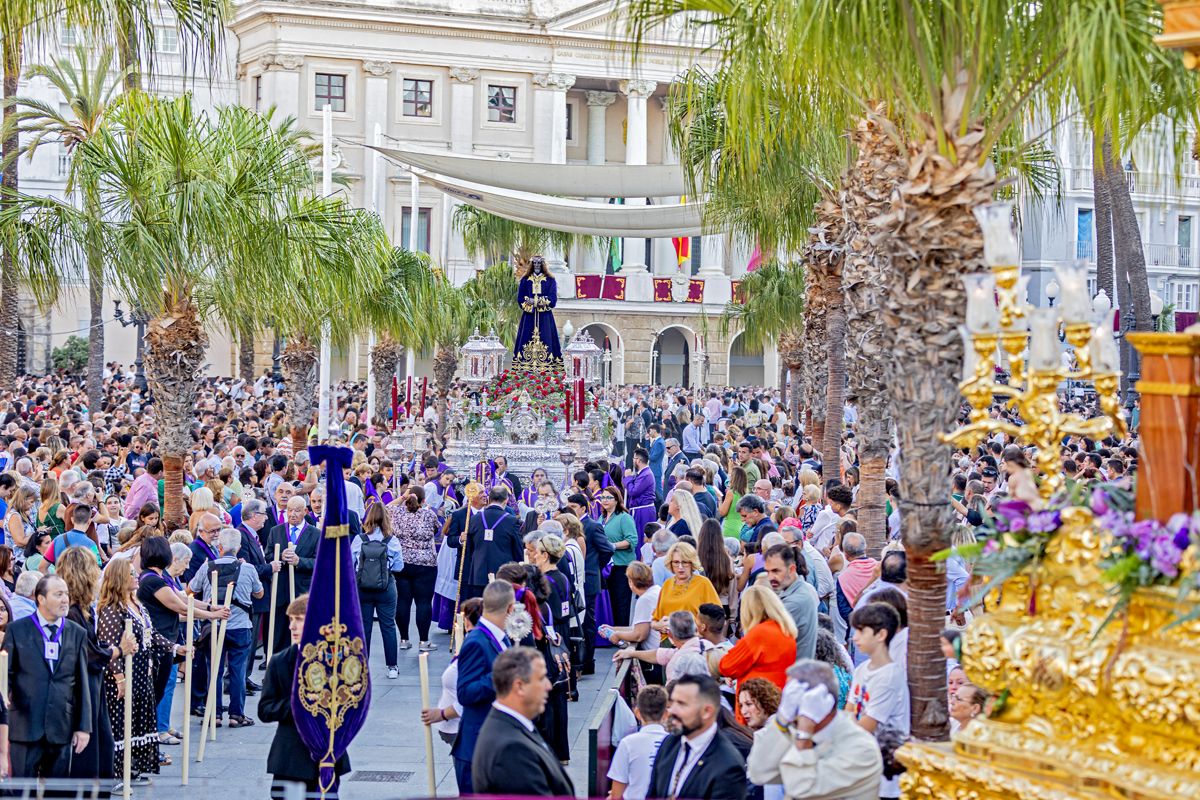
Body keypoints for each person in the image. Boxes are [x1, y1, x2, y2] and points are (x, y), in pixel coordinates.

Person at [746, 660, 882, 800]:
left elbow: (802, 789)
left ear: (821, 701)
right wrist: (782, 718)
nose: (791, 703)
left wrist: (804, 732)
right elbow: (758, 773)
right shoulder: (793, 732)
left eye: (795, 696)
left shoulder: (863, 749)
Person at [97, 559, 182, 782]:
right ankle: (116, 772)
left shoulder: (137, 605)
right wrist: (119, 678)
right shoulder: (111, 610)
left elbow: (150, 635)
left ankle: (133, 767)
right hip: (125, 672)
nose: (136, 576)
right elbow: (107, 644)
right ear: (119, 579)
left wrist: (175, 647)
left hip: (143, 671)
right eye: (131, 573)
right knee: (121, 722)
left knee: (138, 720)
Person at [137, 535, 227, 745]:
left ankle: (162, 725)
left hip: (168, 637)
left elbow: (184, 599)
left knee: (167, 683)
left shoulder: (160, 578)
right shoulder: (151, 580)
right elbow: (180, 607)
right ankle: (157, 729)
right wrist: (211, 615)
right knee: (160, 686)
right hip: (160, 641)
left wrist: (210, 607)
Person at [260, 594, 351, 800]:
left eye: (299, 620)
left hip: (327, 757)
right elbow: (265, 709)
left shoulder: (336, 662)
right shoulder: (280, 661)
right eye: (290, 619)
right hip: (290, 759)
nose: (292, 626)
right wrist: (298, 704)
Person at [2, 575, 93, 781]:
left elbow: (81, 683)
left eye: (66, 594)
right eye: (58, 594)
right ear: (41, 599)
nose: (65, 600)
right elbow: (5, 674)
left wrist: (83, 727)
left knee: (57, 791)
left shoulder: (76, 633)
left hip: (61, 725)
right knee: (21, 790)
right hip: (25, 725)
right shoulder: (17, 630)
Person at [470, 646, 574, 796]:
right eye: (541, 678)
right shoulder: (511, 750)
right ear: (519, 686)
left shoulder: (516, 724)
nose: (549, 685)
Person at [188, 528, 265, 728]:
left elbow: (191, 589)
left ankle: (214, 713)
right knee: (237, 671)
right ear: (238, 548)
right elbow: (259, 593)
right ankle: (236, 714)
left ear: (219, 547)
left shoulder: (207, 567)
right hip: (240, 626)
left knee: (213, 669)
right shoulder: (247, 569)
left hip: (213, 625)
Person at [451, 579, 516, 794]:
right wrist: (500, 675)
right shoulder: (476, 642)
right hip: (476, 751)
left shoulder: (502, 639)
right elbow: (465, 692)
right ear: (510, 608)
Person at [647, 674, 747, 800]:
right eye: (672, 703)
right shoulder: (670, 743)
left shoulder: (728, 764)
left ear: (707, 712)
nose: (672, 710)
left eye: (682, 704)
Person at [847, 603, 909, 799]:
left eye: (861, 631)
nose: (855, 637)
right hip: (862, 766)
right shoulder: (861, 669)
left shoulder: (890, 676)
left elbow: (868, 724)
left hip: (884, 776)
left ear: (881, 635)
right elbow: (849, 709)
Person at [715, 586, 798, 724]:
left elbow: (726, 665)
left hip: (755, 706)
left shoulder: (759, 634)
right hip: (778, 702)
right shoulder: (786, 631)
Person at [351, 502, 404, 677]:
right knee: (388, 626)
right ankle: (392, 667)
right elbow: (398, 567)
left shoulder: (360, 539)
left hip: (363, 588)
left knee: (364, 627)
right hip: (386, 587)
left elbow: (351, 564)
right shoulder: (392, 540)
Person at [564, 492, 614, 675]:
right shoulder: (569, 525)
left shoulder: (592, 526)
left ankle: (587, 662)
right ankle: (579, 660)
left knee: (588, 622)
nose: (571, 510)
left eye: (574, 507)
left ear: (583, 508)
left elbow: (607, 549)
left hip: (589, 578)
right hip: (576, 580)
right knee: (577, 622)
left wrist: (594, 566)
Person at [263, 496, 320, 654]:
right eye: (289, 510)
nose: (292, 514)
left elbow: (319, 562)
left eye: (297, 510)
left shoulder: (315, 534)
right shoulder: (276, 531)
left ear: (305, 511)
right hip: (280, 591)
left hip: (302, 591)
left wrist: (299, 561)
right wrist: (280, 556)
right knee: (278, 635)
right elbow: (267, 556)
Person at [422, 597, 483, 745]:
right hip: (456, 728)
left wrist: (441, 714)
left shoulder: (476, 646)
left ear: (467, 621)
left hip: (462, 728)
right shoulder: (474, 643)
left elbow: (469, 697)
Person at [389, 485, 440, 652]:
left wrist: (402, 498)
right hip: (425, 563)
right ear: (423, 500)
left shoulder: (397, 513)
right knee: (423, 602)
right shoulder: (428, 514)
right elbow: (436, 530)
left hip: (402, 562)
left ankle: (404, 639)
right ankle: (424, 641)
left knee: (403, 600)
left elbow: (387, 507)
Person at [607, 685, 670, 800]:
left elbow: (616, 794)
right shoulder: (676, 744)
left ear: (637, 713)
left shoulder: (628, 743)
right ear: (666, 714)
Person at [464, 487, 523, 601]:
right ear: (506, 501)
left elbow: (469, 549)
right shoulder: (512, 521)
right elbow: (518, 550)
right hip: (503, 575)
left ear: (489, 499)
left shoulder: (475, 519)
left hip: (478, 573)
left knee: (479, 610)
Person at [761, 544, 819, 659]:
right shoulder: (792, 590)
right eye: (768, 572)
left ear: (791, 569)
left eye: (776, 571)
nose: (770, 577)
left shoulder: (797, 601)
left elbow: (762, 639)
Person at [652, 542, 720, 623]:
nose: (680, 567)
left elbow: (718, 617)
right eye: (676, 562)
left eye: (684, 562)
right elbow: (655, 619)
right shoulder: (667, 584)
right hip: (666, 635)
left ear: (692, 562)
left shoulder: (703, 583)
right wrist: (658, 625)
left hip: (694, 635)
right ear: (671, 563)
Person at [600, 486, 638, 627]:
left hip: (621, 566)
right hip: (606, 567)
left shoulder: (624, 518)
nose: (605, 500)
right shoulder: (601, 518)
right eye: (603, 497)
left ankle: (622, 632)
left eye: (608, 497)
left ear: (617, 499)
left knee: (621, 602)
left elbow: (632, 540)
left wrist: (612, 546)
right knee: (610, 601)